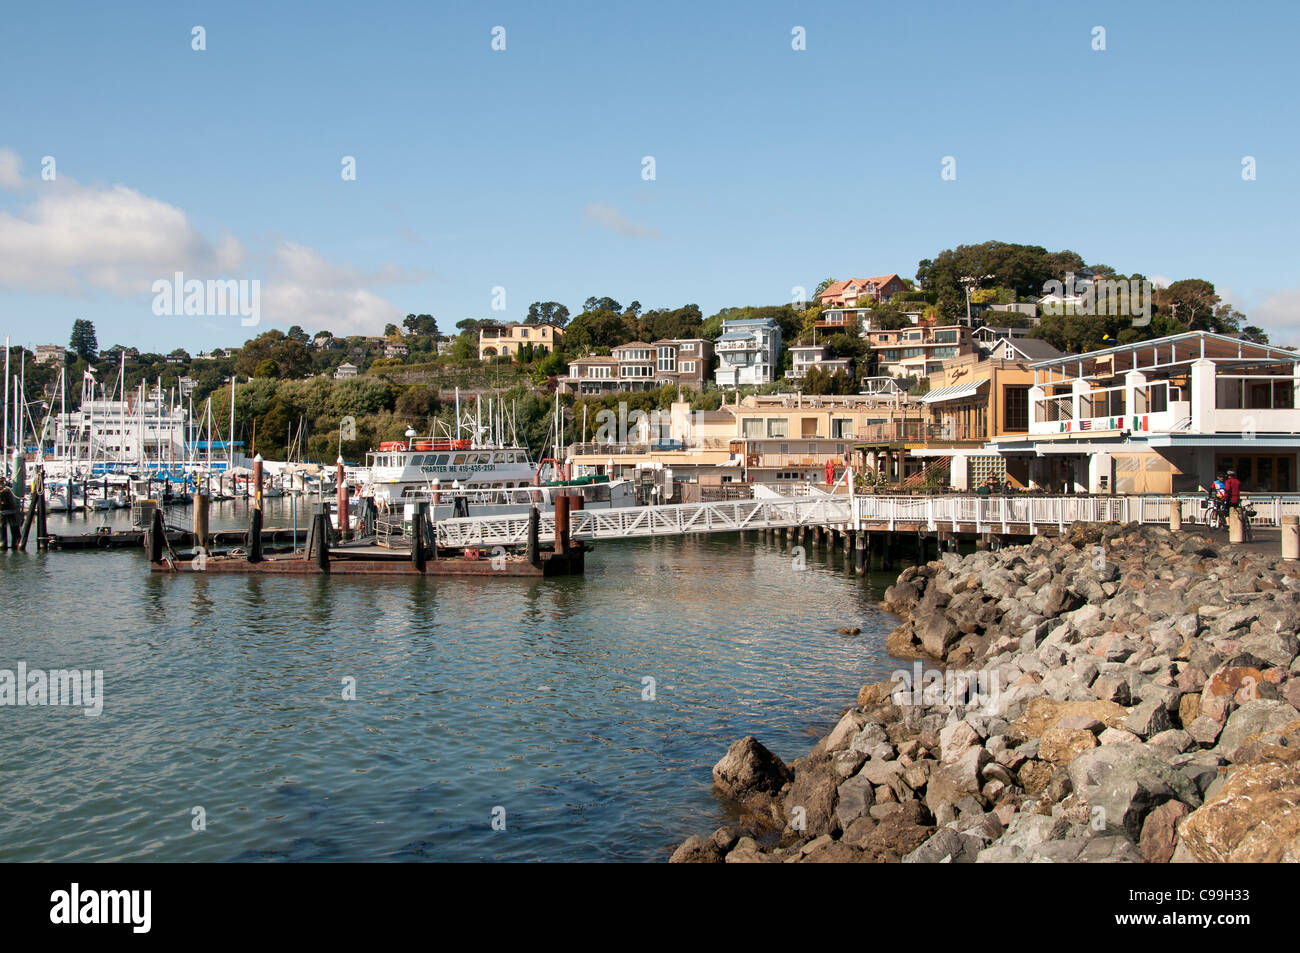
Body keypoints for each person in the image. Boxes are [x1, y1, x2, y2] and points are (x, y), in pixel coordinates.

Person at [0, 479, 20, 550]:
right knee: (12, 527)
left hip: (6, 511)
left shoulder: (6, 491)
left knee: (4, 526)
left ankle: (5, 544)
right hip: (9, 511)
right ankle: (16, 543)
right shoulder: (7, 491)